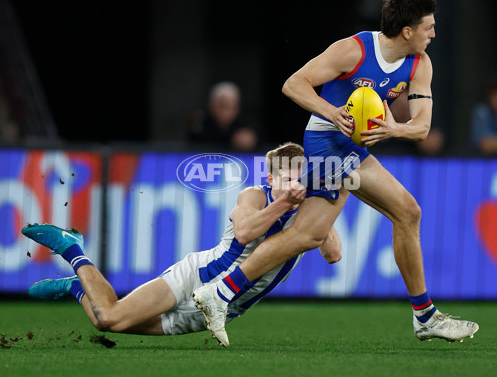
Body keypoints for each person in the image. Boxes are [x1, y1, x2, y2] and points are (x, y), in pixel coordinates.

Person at [192, 0, 479, 345]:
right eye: (428, 27)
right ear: (407, 30)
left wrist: (394, 129)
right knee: (405, 212)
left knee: (311, 233)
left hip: (354, 149)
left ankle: (218, 293)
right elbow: (293, 84)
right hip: (326, 140)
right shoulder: (354, 49)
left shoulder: (420, 63)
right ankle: (425, 316)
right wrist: (332, 113)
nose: (433, 33)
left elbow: (421, 127)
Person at [22, 142, 341, 346]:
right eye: (285, 178)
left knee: (106, 321)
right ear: (271, 179)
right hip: (196, 276)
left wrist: (322, 212)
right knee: (111, 317)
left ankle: (75, 288)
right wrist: (284, 204)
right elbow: (244, 233)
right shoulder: (255, 195)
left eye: (300, 178)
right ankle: (71, 248)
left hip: (221, 309)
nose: (293, 185)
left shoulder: (309, 212)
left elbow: (333, 255)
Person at [188, 81, 258, 152]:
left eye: (231, 107)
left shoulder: (245, 125)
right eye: (222, 106)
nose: (226, 112)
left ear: (238, 109)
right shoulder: (200, 125)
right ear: (211, 106)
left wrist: (250, 142)